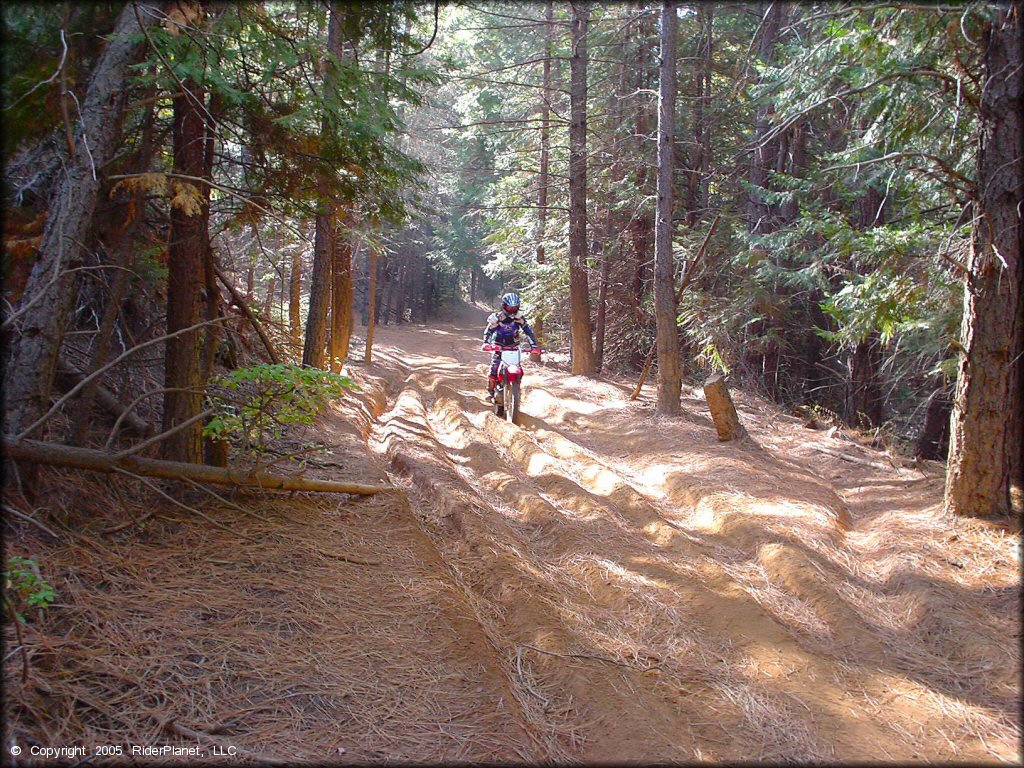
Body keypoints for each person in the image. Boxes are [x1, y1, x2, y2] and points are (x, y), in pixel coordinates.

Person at [481, 292, 539, 400]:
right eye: (510, 307)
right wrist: (486, 342)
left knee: (519, 369)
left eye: (515, 308)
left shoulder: (519, 318)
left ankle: (516, 389)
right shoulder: (497, 318)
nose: (512, 310)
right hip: (499, 346)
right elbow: (489, 331)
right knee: (494, 368)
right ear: (504, 306)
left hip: (514, 346)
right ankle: (491, 391)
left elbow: (528, 331)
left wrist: (534, 346)